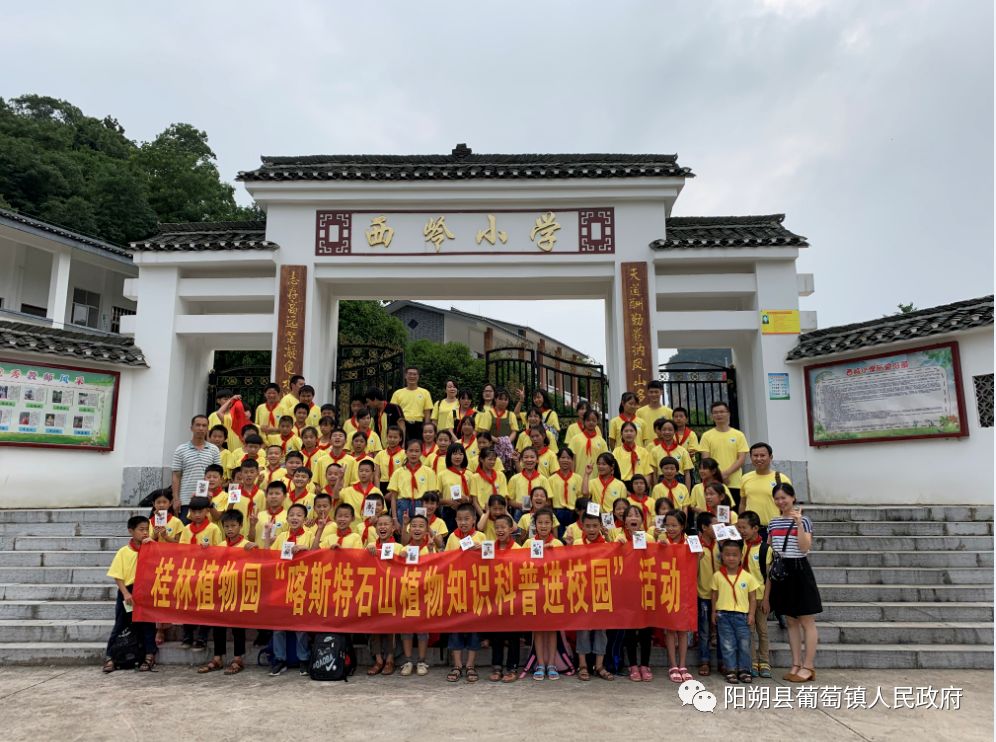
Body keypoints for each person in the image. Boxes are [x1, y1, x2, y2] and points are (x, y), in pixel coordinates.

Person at [764, 484, 821, 683]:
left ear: (793, 497)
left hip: (799, 570)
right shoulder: (773, 523)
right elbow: (772, 550)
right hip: (782, 572)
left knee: (807, 620)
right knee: (790, 621)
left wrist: (798, 525)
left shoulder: (804, 520)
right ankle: (796, 663)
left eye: (784, 498)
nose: (781, 501)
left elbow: (805, 548)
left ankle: (808, 665)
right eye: (777, 498)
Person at [197, 510, 257, 675]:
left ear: (240, 526)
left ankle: (238, 658)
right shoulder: (220, 546)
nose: (230, 529)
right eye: (226, 526)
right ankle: (218, 658)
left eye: (233, 525)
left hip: (239, 591)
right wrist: (205, 550)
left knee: (238, 626)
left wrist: (255, 549)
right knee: (218, 625)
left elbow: (258, 562)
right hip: (222, 589)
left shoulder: (246, 544)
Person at [102, 515, 157, 673]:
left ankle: (149, 655)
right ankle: (110, 657)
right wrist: (126, 593)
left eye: (147, 529)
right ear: (131, 531)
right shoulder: (124, 552)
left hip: (146, 591)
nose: (145, 533)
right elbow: (117, 575)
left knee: (147, 624)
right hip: (129, 591)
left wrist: (153, 545)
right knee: (121, 624)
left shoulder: (152, 548)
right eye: (141, 530)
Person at [268, 503, 313, 676]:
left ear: (304, 519)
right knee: (278, 626)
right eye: (292, 515)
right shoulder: (281, 537)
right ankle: (280, 659)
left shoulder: (309, 535)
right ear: (286, 519)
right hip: (281, 585)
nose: (295, 518)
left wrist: (305, 549)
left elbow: (318, 555)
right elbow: (270, 556)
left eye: (299, 515)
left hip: (301, 585)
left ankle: (303, 659)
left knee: (300, 625)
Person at [573, 511, 615, 682]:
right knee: (582, 629)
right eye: (588, 526)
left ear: (600, 526)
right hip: (582, 590)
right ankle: (582, 665)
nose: (591, 529)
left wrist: (611, 540)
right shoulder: (576, 543)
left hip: (602, 591)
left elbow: (617, 561)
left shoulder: (606, 543)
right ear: (582, 526)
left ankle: (599, 666)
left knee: (601, 630)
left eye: (595, 526)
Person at [446, 502, 485, 682]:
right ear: (455, 520)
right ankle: (457, 665)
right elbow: (444, 561)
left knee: (474, 628)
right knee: (455, 628)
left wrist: (482, 550)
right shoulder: (452, 538)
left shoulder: (481, 537)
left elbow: (494, 557)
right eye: (460, 519)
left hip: (475, 589)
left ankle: (470, 665)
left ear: (474, 520)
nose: (463, 523)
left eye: (467, 519)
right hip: (456, 589)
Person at [711, 540, 760, 684]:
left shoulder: (747, 576)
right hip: (723, 616)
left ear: (740, 556)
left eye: (734, 555)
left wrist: (751, 614)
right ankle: (731, 670)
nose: (731, 558)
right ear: (722, 556)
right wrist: (713, 612)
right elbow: (714, 595)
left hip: (742, 616)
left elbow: (753, 597)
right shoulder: (717, 576)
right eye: (727, 555)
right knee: (727, 645)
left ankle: (744, 670)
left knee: (744, 644)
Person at [523, 509, 563, 680]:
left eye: (547, 523)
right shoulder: (528, 543)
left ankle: (552, 664)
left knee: (552, 629)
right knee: (538, 629)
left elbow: (566, 568)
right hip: (534, 590)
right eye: (540, 523)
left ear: (552, 524)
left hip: (553, 590)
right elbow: (521, 565)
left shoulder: (559, 544)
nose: (544, 526)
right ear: (535, 525)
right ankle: (540, 664)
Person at [178, 496, 222, 649]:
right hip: (189, 571)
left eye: (201, 511)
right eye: (194, 511)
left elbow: (220, 551)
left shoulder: (213, 529)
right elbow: (181, 550)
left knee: (205, 604)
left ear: (207, 511)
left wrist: (208, 550)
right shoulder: (186, 529)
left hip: (207, 572)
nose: (197, 515)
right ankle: (187, 636)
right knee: (187, 604)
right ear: (190, 512)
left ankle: (202, 637)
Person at [658, 510, 693, 683]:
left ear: (682, 526)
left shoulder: (691, 541)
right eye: (668, 525)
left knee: (683, 630)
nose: (671, 529)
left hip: (685, 589)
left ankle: (683, 664)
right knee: (670, 629)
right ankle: (672, 665)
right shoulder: (661, 541)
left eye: (675, 525)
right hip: (667, 588)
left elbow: (697, 562)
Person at [737, 510, 773, 678]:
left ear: (755, 528)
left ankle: (764, 661)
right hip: (744, 597)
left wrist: (766, 599)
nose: (741, 531)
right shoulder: (739, 546)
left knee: (762, 630)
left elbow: (769, 577)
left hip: (759, 597)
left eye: (744, 528)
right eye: (739, 527)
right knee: (748, 631)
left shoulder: (765, 549)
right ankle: (751, 661)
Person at [488, 513, 522, 683]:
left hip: (513, 598)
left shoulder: (517, 549)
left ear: (511, 529)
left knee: (513, 635)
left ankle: (512, 666)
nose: (500, 530)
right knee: (497, 634)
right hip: (495, 599)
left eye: (503, 527)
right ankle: (496, 665)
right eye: (497, 527)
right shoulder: (488, 548)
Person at [697, 401, 749, 508]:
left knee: (732, 515)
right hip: (713, 483)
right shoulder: (706, 436)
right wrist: (719, 476)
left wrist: (726, 473)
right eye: (715, 412)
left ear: (728, 414)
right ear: (711, 416)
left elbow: (741, 458)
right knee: (714, 514)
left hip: (734, 482)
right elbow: (706, 460)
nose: (719, 415)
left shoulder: (738, 435)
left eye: (721, 412)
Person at [170, 414, 222, 519]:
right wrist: (176, 499)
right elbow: (176, 476)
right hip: (186, 501)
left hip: (207, 501)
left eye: (204, 425)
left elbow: (218, 476)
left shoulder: (214, 450)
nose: (201, 428)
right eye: (198, 425)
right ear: (191, 428)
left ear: (208, 428)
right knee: (187, 533)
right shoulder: (181, 450)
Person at [739, 442, 792, 531]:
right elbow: (743, 503)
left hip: (775, 529)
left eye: (762, 455)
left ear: (770, 457)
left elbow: (789, 505)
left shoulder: (782, 479)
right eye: (755, 455)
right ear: (751, 458)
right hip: (751, 530)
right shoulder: (745, 478)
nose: (759, 458)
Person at [695, 511, 723, 677]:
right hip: (703, 594)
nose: (718, 527)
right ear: (704, 527)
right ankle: (704, 661)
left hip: (722, 595)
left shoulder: (721, 544)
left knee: (721, 631)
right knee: (704, 630)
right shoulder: (696, 545)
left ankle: (722, 661)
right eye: (714, 524)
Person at [388, 438, 437, 524]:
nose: (413, 454)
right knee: (403, 534)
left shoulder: (429, 472)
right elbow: (393, 497)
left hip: (421, 504)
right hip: (403, 505)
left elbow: (432, 497)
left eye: (417, 451)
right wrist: (394, 519)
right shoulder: (398, 472)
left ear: (421, 453)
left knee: (420, 532)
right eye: (411, 451)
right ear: (406, 452)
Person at [391, 366, 433, 443]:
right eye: (410, 374)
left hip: (419, 426)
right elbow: (394, 413)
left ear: (418, 376)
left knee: (418, 448)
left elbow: (427, 414)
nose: (412, 376)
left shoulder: (425, 393)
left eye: (414, 374)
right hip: (402, 425)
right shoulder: (397, 393)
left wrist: (426, 429)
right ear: (405, 376)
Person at [650, 418, 694, 490]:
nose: (667, 432)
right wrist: (655, 489)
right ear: (660, 431)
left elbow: (687, 474)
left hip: (679, 481)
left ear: (675, 431)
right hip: (661, 482)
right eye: (664, 430)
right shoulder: (654, 451)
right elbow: (654, 473)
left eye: (670, 430)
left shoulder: (682, 451)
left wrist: (687, 492)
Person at [568, 409, 608, 478]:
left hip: (597, 479)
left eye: (593, 420)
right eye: (588, 420)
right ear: (584, 421)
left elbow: (605, 460)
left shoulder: (601, 441)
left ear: (597, 422)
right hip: (579, 477)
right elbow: (572, 459)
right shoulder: (575, 439)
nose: (591, 422)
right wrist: (572, 477)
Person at [612, 421, 651, 487]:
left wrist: (645, 488)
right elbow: (612, 472)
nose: (629, 433)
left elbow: (648, 472)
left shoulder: (643, 452)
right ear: (622, 433)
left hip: (639, 484)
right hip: (622, 484)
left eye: (631, 431)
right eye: (626, 431)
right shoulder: (616, 451)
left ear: (636, 433)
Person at [635, 380, 673, 447]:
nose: (653, 394)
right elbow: (637, 432)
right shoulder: (639, 412)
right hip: (645, 449)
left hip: (665, 449)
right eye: (651, 392)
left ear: (661, 392)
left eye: (656, 392)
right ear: (647, 393)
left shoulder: (669, 412)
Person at [374, 426, 406, 492]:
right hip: (383, 484)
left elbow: (405, 474)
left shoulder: (404, 454)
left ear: (400, 439)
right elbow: (377, 475)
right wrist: (378, 491)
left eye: (395, 437)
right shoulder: (380, 454)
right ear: (387, 437)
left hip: (398, 484)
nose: (392, 440)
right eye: (390, 437)